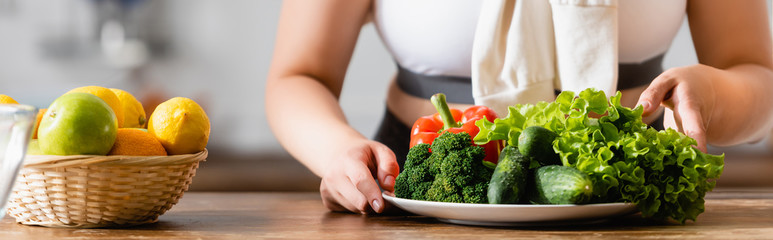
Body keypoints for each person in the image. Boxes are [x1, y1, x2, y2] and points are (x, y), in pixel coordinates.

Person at [265, 0, 773, 214]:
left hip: (620, 191)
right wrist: (339, 152)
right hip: (423, 183)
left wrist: (710, 95)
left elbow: (755, 73)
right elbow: (298, 75)